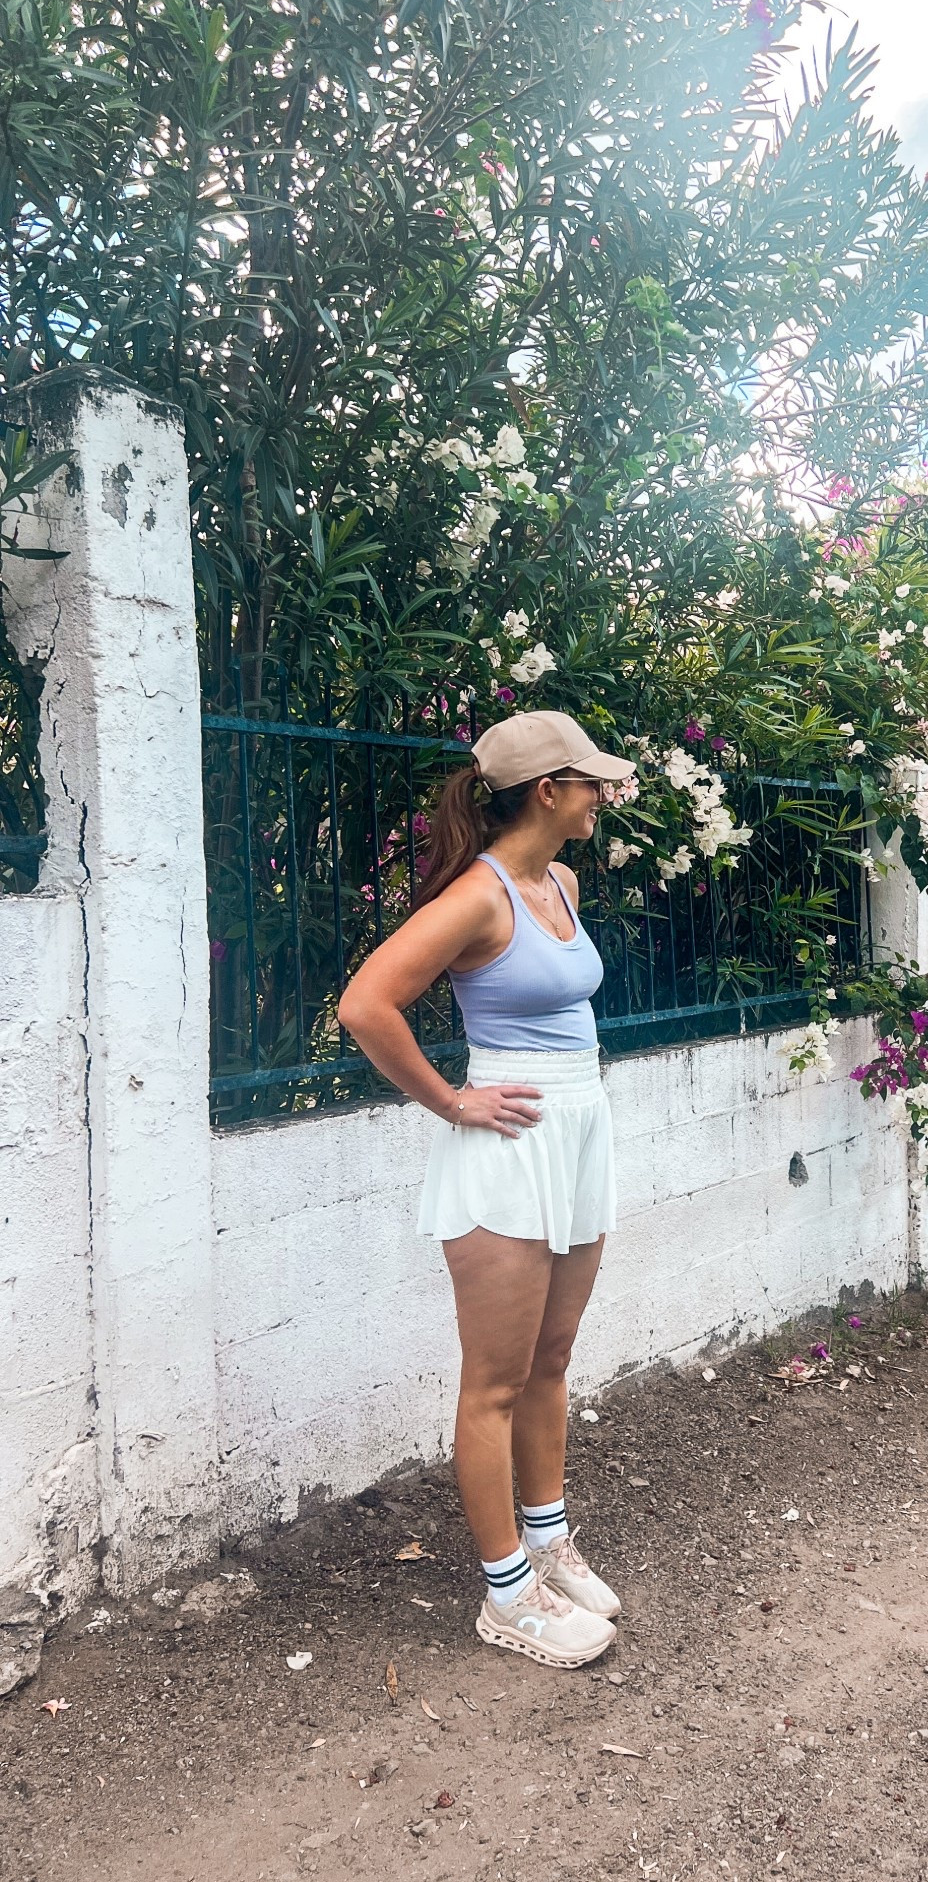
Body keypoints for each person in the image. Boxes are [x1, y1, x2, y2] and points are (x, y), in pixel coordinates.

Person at [338, 710, 635, 1670]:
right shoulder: (480, 896)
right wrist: (451, 1101)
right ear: (548, 791)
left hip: (577, 1131)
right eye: (589, 779)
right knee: (495, 1383)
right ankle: (507, 1595)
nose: (604, 792)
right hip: (510, 1146)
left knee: (551, 1360)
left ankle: (548, 1542)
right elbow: (366, 1003)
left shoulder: (563, 879)